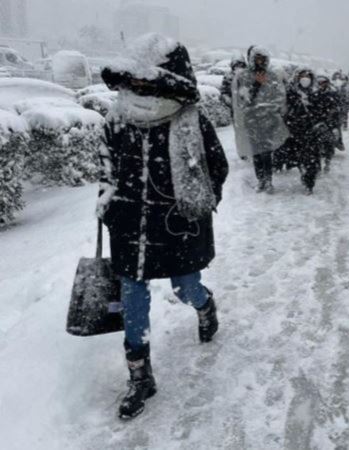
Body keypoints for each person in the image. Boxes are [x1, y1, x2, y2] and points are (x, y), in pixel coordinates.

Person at [98, 33, 229, 420]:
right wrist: (108, 203)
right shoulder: (117, 118)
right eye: (133, 81)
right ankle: (140, 376)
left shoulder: (190, 120)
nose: (138, 87)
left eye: (146, 81)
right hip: (128, 225)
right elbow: (106, 168)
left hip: (176, 225)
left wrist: (194, 205)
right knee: (132, 296)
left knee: (184, 287)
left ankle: (205, 306)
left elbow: (215, 169)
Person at [232, 46, 289, 193]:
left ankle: (268, 181)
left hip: (269, 120)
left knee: (266, 151)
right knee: (256, 152)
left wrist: (271, 109)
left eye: (263, 59)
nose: (260, 62)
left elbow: (279, 97)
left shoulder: (273, 76)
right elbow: (243, 99)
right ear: (252, 60)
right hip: (252, 120)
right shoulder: (244, 76)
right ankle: (260, 180)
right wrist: (256, 85)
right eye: (257, 59)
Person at [284, 68, 321, 194]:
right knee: (297, 156)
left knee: (311, 158)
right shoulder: (291, 92)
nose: (305, 79)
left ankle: (309, 182)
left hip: (311, 131)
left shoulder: (316, 93)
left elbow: (321, 110)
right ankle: (302, 172)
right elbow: (286, 109)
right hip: (295, 130)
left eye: (307, 76)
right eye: (302, 76)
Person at [312, 73, 342, 172]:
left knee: (329, 144)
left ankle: (327, 162)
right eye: (319, 83)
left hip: (330, 123)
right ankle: (317, 165)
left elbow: (338, 107)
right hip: (317, 123)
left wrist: (334, 114)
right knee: (315, 145)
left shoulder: (333, 94)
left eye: (323, 83)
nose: (321, 84)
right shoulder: (313, 94)